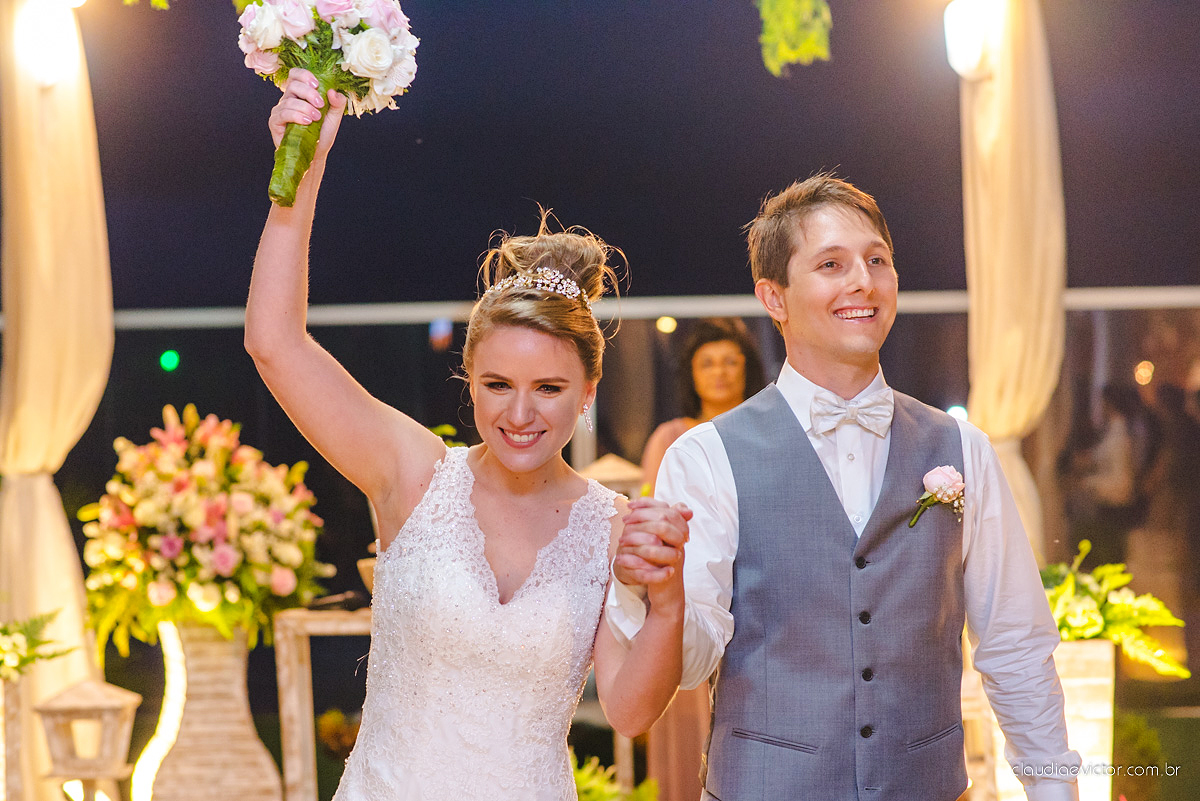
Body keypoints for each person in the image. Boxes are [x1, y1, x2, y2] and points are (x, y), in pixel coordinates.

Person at [245, 72, 691, 800]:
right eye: (497, 384)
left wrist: (668, 603)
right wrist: (302, 166)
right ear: (469, 379)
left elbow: (630, 711)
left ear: (588, 393)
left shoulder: (613, 525)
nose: (521, 414)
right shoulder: (413, 475)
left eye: (549, 388)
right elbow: (274, 343)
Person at [607, 175, 1081, 800]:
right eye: (832, 264)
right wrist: (656, 594)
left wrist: (1054, 789)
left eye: (877, 260)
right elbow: (693, 661)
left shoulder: (963, 448)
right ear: (774, 298)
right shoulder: (705, 456)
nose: (863, 281)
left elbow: (1015, 644)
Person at [638, 318, 765, 801]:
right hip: (691, 591)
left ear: (747, 370)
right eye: (707, 363)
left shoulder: (766, 432)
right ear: (691, 374)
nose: (720, 372)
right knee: (690, 714)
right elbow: (658, 523)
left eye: (730, 362)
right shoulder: (671, 438)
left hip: (758, 590)